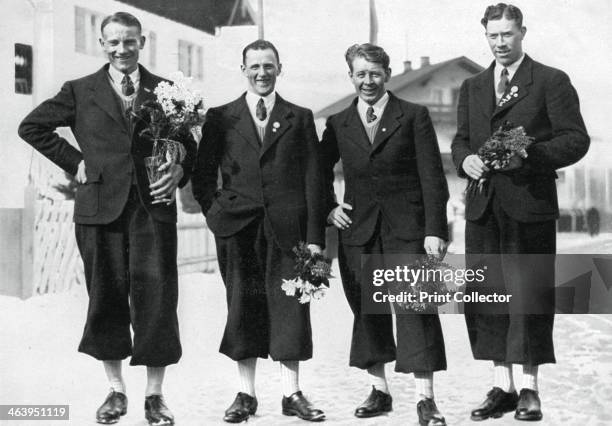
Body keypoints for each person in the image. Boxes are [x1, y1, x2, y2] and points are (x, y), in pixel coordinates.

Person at [18, 12, 196, 426]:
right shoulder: (80, 91)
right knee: (107, 297)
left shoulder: (166, 90)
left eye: (129, 42)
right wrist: (75, 162)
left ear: (142, 42)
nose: (121, 49)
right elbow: (33, 127)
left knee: (157, 299)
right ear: (102, 44)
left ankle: (155, 396)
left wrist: (179, 169)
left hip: (153, 207)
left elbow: (188, 145)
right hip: (99, 210)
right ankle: (115, 392)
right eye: (113, 42)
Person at [451, 3, 589, 422]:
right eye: (492, 36)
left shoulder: (550, 80)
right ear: (485, 36)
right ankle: (502, 386)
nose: (500, 43)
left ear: (522, 33)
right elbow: (460, 140)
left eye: (507, 35)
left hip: (529, 206)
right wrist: (465, 161)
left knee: (527, 296)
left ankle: (529, 389)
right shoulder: (472, 86)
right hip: (482, 208)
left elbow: (575, 140)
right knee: (487, 296)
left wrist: (529, 154)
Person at [191, 40, 326, 423]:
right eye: (254, 66)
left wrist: (315, 238)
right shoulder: (221, 117)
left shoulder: (299, 117)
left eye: (269, 66)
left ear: (279, 68)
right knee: (242, 306)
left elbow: (314, 181)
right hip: (238, 229)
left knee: (292, 309)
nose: (262, 73)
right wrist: (216, 213)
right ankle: (245, 395)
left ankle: (291, 394)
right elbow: (203, 176)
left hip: (290, 232)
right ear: (243, 69)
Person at [319, 43, 449, 426]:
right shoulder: (339, 123)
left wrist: (434, 230)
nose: (368, 81)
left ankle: (425, 399)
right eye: (360, 74)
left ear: (388, 75)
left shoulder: (413, 116)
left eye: (375, 73)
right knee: (367, 311)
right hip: (358, 233)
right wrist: (329, 206)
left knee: (416, 311)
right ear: (351, 77)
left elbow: (432, 178)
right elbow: (316, 171)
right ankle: (379, 390)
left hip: (408, 232)